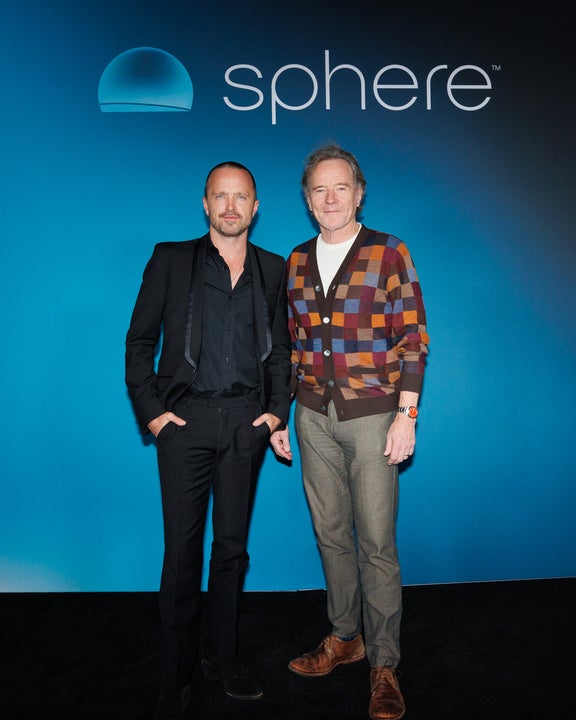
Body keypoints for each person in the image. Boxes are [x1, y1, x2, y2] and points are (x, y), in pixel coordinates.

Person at [125, 161, 291, 719]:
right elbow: (139, 342)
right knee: (182, 554)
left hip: (246, 424)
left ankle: (224, 658)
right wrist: (153, 415)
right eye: (220, 196)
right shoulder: (171, 260)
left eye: (240, 196)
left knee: (231, 551)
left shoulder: (273, 268)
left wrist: (275, 414)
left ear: (255, 206)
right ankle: (175, 676)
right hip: (185, 424)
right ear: (205, 204)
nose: (230, 206)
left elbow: (284, 351)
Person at [271, 144, 429, 720]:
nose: (331, 198)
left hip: (373, 418)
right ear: (308, 200)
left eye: (341, 187)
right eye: (320, 189)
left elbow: (413, 337)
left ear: (359, 194)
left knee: (376, 544)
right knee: (331, 534)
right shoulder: (296, 260)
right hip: (311, 416)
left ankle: (384, 663)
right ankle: (345, 637)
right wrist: (279, 415)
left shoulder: (388, 251)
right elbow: (291, 345)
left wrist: (407, 415)